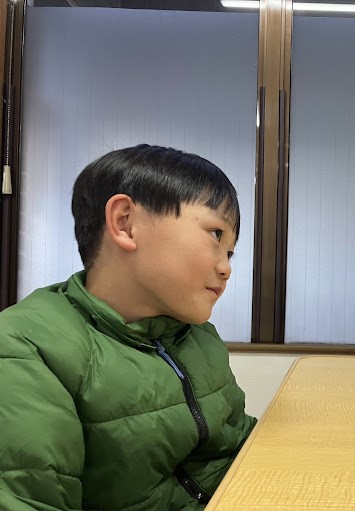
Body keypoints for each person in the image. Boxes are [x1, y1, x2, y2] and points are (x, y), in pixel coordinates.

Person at [0, 145, 257, 510]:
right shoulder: (27, 348)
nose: (226, 267)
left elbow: (240, 446)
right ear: (125, 223)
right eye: (216, 235)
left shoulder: (197, 335)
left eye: (230, 252)